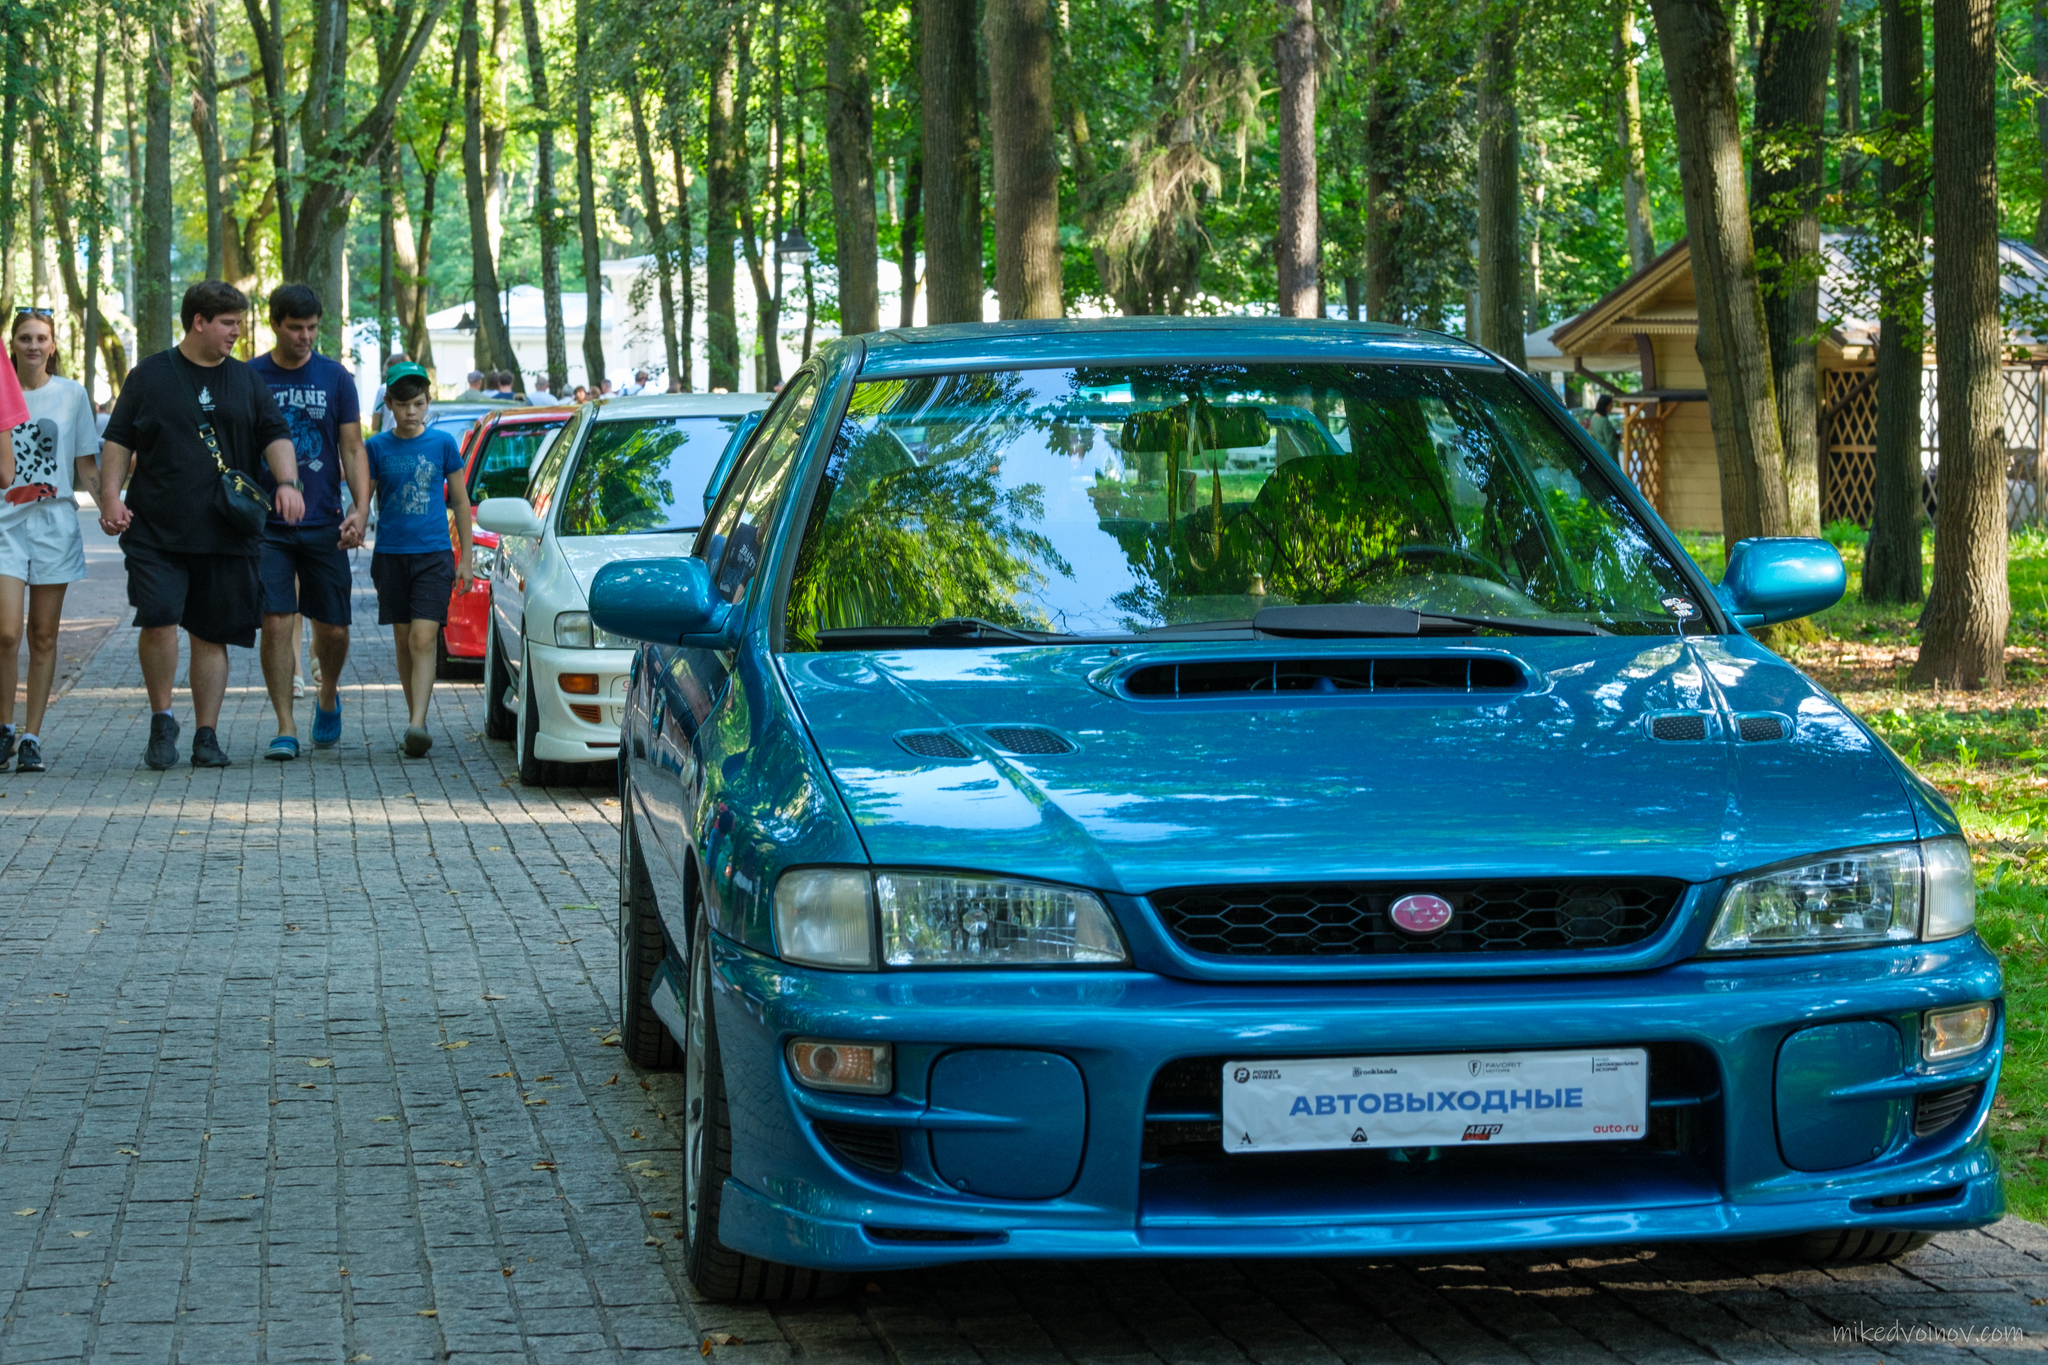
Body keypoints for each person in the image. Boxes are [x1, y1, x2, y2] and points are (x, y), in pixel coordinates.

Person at [99, 281, 305, 769]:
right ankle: (162, 719)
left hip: (226, 529)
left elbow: (274, 433)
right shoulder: (149, 375)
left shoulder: (247, 380)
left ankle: (206, 734)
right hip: (156, 528)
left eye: (238, 322)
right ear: (199, 322)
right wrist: (110, 497)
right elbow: (118, 440)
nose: (237, 332)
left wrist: (288, 482)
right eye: (229, 323)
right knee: (160, 618)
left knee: (211, 635)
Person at [250, 284, 370, 761]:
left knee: (335, 628)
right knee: (277, 622)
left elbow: (353, 447)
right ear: (275, 324)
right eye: (296, 328)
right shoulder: (251, 375)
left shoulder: (336, 378)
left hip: (325, 520)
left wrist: (360, 508)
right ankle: (284, 725)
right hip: (267, 525)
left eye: (312, 328)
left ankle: (328, 692)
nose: (305, 337)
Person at [0, 309, 93, 773]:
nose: (33, 345)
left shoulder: (71, 394)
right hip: (5, 525)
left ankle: (31, 735)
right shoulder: (1, 391)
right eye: (24, 338)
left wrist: (111, 505)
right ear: (12, 344)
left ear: (53, 345)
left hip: (54, 523)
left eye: (41, 338)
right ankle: (4, 728)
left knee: (43, 635)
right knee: (6, 632)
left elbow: (86, 463)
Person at [365, 361, 472, 758]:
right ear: (389, 404)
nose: (412, 412)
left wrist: (467, 558)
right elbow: (365, 498)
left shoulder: (443, 444)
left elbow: (459, 501)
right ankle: (415, 718)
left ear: (428, 403)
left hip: (434, 555)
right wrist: (354, 524)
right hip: (391, 555)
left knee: (423, 638)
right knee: (402, 638)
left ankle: (417, 723)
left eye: (419, 404)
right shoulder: (376, 448)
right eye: (404, 404)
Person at [1586, 393, 1623, 459]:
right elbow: (1610, 441)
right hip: (1609, 454)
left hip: (1599, 450)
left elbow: (1592, 434)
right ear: (1606, 405)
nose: (1612, 407)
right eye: (1611, 405)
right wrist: (1619, 438)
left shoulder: (1594, 417)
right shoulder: (1604, 421)